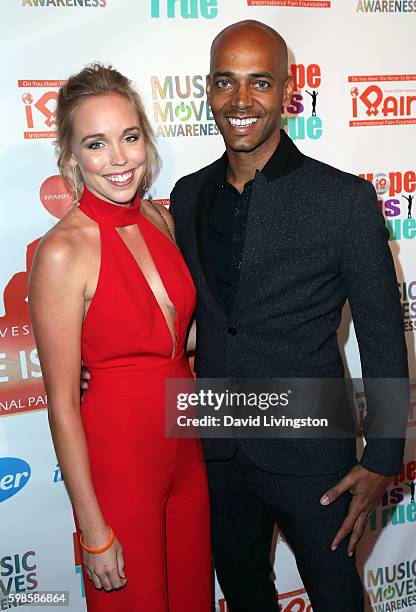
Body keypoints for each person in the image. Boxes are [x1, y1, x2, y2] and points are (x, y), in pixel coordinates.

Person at [168, 20, 409, 612]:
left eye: (259, 82)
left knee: (335, 598)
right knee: (244, 594)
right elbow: (188, 318)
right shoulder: (187, 193)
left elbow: (382, 336)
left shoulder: (343, 200)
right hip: (216, 442)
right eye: (226, 82)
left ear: (286, 90)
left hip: (312, 449)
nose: (241, 101)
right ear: (208, 89)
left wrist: (381, 458)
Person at [29, 64, 211, 612]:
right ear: (71, 157)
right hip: (120, 461)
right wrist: (93, 530)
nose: (119, 159)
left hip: (186, 451)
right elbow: (61, 403)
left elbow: (178, 334)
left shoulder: (159, 218)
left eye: (129, 137)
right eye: (96, 143)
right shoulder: (62, 251)